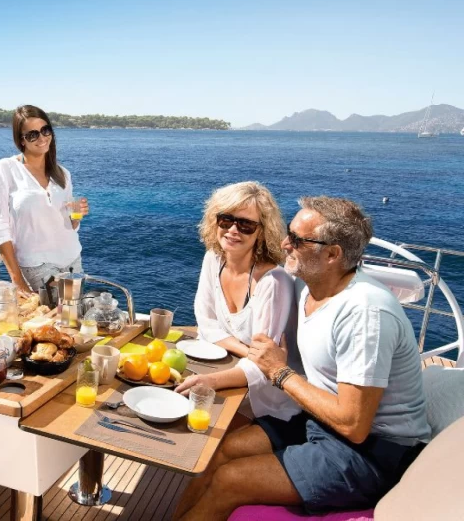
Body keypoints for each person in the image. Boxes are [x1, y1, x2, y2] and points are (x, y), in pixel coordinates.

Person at [177, 196, 430, 521]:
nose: (284, 243)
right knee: (220, 452)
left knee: (231, 479)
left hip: (374, 452)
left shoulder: (364, 313)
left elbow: (354, 425)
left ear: (332, 254)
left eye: (297, 239)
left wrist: (279, 372)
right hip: (318, 421)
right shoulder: (311, 288)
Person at [176, 181, 301, 422]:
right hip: (229, 370)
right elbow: (207, 324)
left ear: (262, 231)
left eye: (246, 225)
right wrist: (248, 351)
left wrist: (210, 380)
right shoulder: (213, 259)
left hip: (266, 399)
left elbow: (266, 367)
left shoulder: (272, 282)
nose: (233, 230)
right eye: (226, 220)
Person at [0, 105, 88, 294]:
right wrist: (16, 280)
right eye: (33, 134)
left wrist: (76, 216)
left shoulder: (63, 174)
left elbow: (70, 225)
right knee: (55, 316)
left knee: (74, 319)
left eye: (45, 130)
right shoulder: (5, 169)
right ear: (21, 140)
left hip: (73, 259)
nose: (42, 138)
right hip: (36, 263)